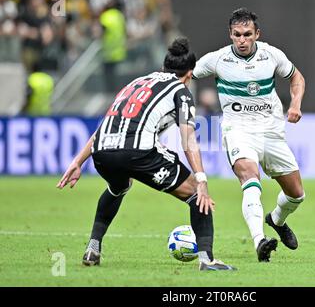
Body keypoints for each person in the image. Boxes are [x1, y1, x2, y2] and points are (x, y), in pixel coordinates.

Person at [56, 38, 236, 271]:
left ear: (164, 67)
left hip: (102, 151)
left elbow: (107, 123)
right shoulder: (180, 90)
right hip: (137, 151)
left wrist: (78, 161)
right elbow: (188, 138)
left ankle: (94, 247)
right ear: (189, 75)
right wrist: (201, 178)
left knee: (118, 187)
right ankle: (207, 260)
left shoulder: (138, 82)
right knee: (194, 193)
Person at [192, 8, 306, 262]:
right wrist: (185, 101)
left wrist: (296, 103)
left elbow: (296, 77)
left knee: (296, 195)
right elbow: (186, 75)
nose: (242, 40)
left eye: (247, 34)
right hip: (239, 131)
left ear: (257, 34)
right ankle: (260, 241)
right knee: (250, 179)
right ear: (230, 35)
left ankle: (276, 220)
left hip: (272, 132)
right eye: (237, 35)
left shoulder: (271, 55)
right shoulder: (218, 59)